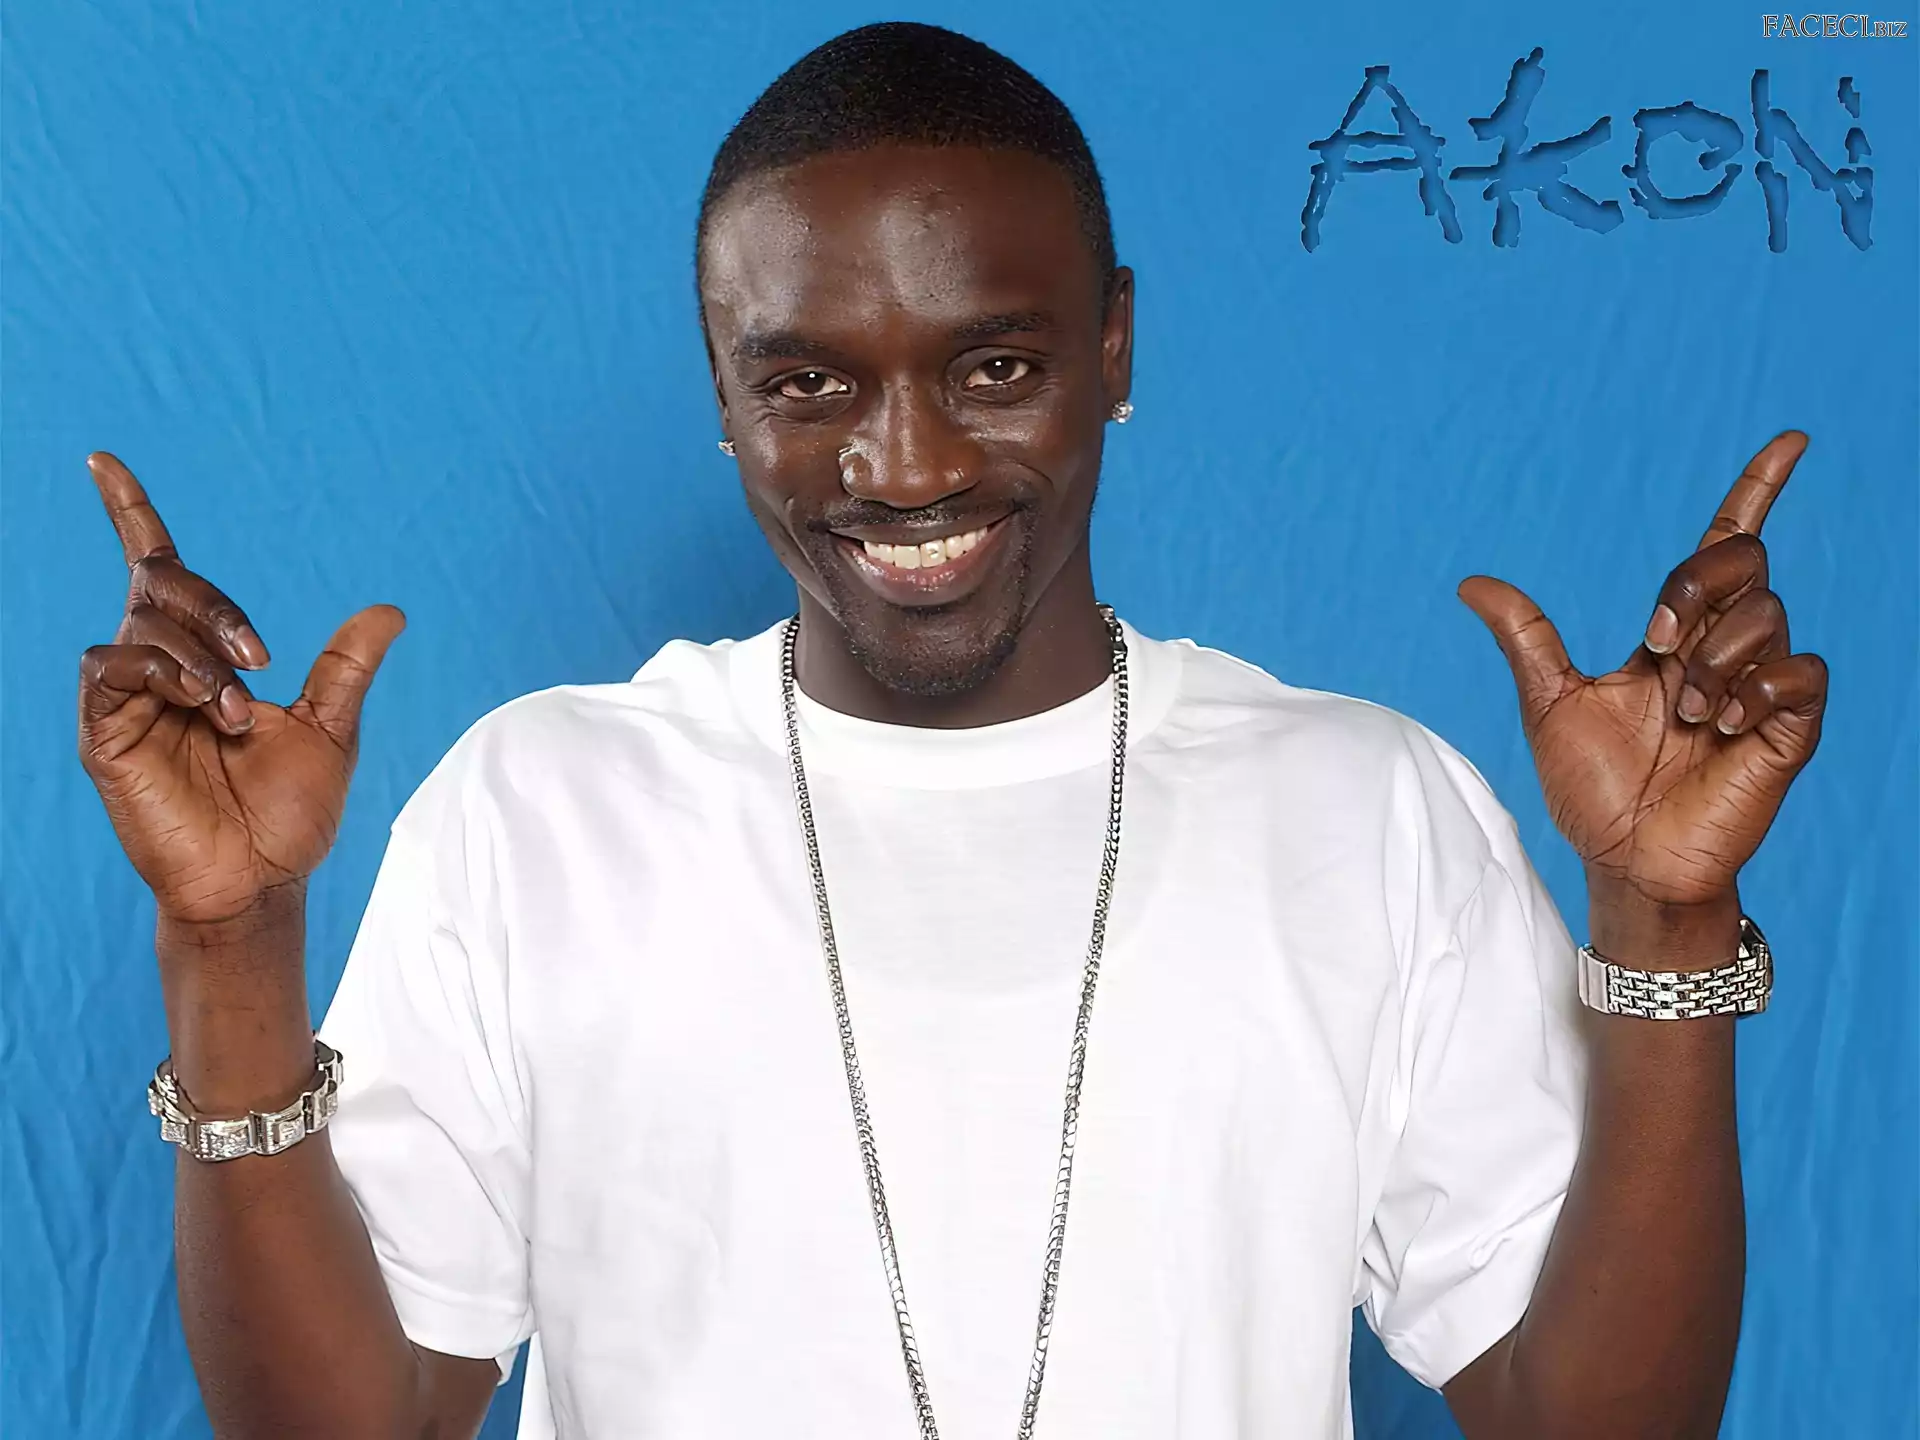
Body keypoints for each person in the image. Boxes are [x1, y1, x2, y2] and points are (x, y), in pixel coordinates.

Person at [77, 22, 1827, 1440]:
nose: (905, 467)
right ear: (723, 391)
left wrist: (1663, 919)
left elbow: (1592, 1422)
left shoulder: (1365, 810)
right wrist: (229, 945)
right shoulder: (538, 808)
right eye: (807, 382)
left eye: (994, 369)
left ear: (1113, 347)